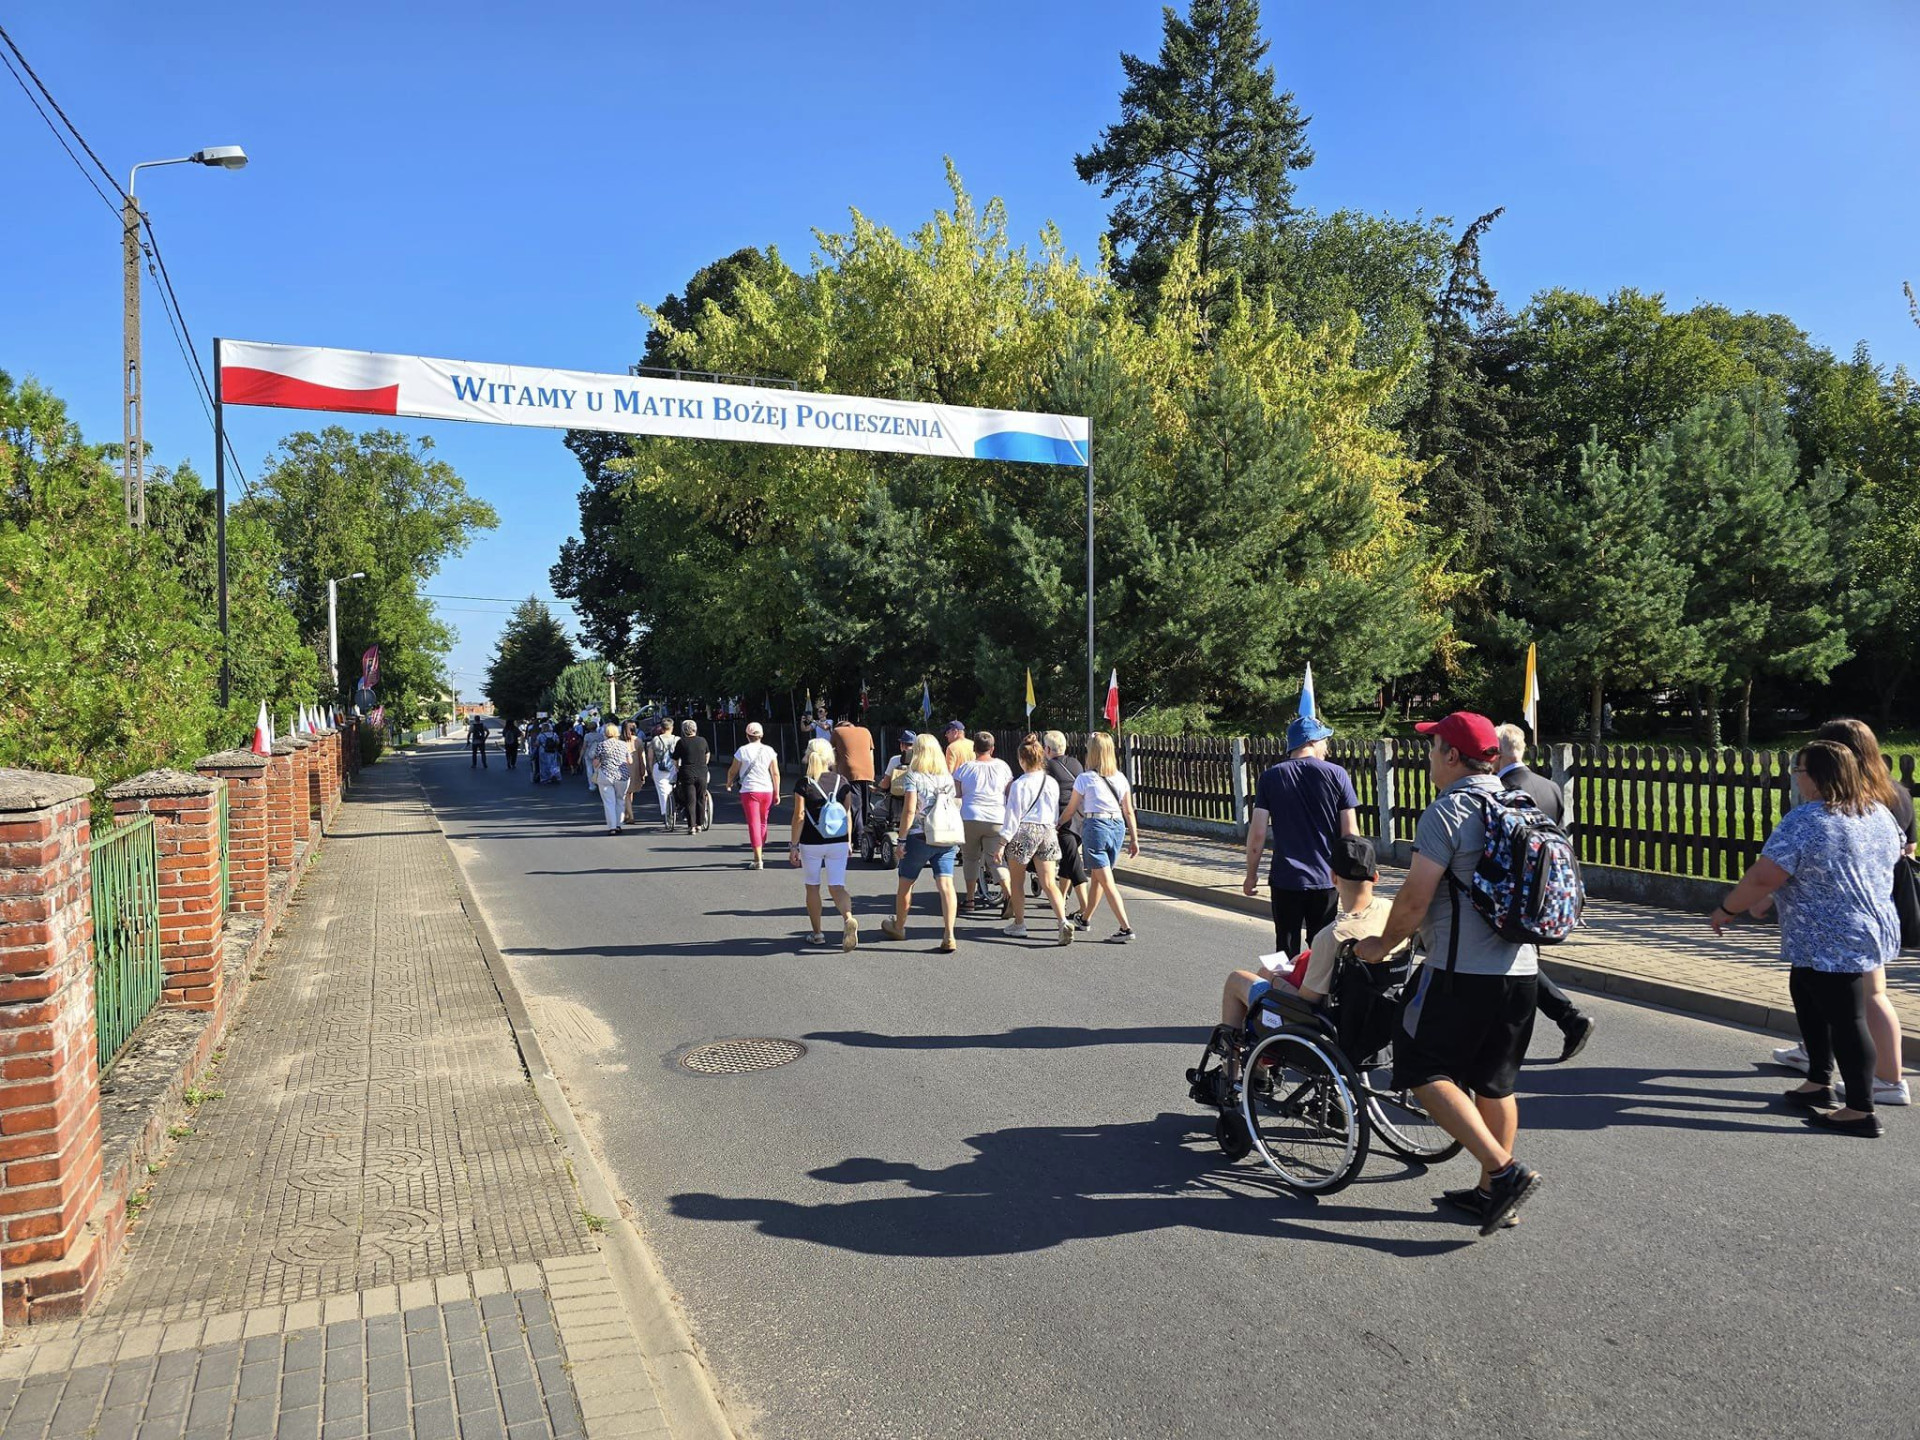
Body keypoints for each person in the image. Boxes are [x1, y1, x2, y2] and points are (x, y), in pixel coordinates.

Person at [1355, 710, 1545, 1237]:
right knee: (1495, 1083)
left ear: (1453, 756)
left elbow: (1415, 898)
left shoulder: (1450, 810)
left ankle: (1504, 1173)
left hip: (1462, 971)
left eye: (1433, 747)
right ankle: (1492, 1195)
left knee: (1419, 1068)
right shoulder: (1518, 803)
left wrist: (1380, 944)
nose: (1429, 757)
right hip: (1523, 970)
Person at [1711, 740, 1902, 1137]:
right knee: (1806, 994)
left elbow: (1764, 875)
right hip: (1854, 930)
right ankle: (1818, 1080)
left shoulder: (1809, 818)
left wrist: (1728, 909)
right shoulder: (1877, 812)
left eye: (1798, 771)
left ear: (1816, 776)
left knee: (1848, 1019)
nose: (1796, 779)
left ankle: (1860, 1110)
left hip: (1833, 937)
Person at [1770, 718, 1914, 1106]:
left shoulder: (1852, 797)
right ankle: (1818, 1055)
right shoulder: (1894, 791)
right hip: (1877, 905)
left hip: (1844, 914)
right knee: (1847, 994)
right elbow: (1907, 848)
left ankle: (1886, 1079)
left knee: (1859, 997)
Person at [1217, 835, 1406, 1053]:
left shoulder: (1333, 936)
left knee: (1238, 980)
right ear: (1376, 877)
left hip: (1324, 1031)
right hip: (1377, 1025)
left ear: (1333, 877)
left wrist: (1275, 979)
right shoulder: (1394, 914)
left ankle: (1232, 1067)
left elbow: (1304, 1002)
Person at [1494, 723, 1596, 1063]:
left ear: (1498, 753)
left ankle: (1566, 1019)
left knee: (1514, 963)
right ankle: (1567, 1020)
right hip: (1548, 891)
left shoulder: (1504, 789)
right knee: (1522, 962)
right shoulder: (1549, 786)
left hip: (1516, 892)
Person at [1242, 715, 1357, 959]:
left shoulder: (1270, 777)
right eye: (1324, 740)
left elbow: (1258, 833)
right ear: (1312, 741)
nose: (1326, 747)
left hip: (1286, 878)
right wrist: (1352, 881)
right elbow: (1350, 835)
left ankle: (1282, 984)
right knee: (1323, 951)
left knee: (1284, 950)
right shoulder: (1338, 774)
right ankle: (1317, 984)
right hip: (1326, 878)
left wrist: (1251, 875)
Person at [883, 733, 961, 952]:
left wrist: (901, 840)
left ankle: (899, 926)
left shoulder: (913, 776)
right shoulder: (947, 778)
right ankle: (949, 933)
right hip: (945, 836)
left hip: (919, 836)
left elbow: (909, 811)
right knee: (946, 885)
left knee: (906, 883)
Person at [1059, 732, 1139, 943]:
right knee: (1099, 877)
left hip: (1096, 827)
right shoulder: (1120, 778)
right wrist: (1134, 838)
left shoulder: (1085, 779)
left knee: (1106, 880)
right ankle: (1085, 918)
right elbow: (1128, 811)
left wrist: (1057, 824)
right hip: (1117, 826)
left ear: (1092, 753)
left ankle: (1125, 927)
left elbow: (1071, 809)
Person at [998, 734, 1073, 944]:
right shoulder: (1051, 782)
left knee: (1017, 882)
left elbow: (1012, 816)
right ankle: (1062, 922)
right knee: (1049, 882)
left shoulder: (1019, 784)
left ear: (1022, 760)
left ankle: (1019, 924)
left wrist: (1002, 842)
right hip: (1047, 830)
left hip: (1025, 831)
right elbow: (1054, 811)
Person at [789, 738, 858, 949]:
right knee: (837, 886)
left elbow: (799, 816)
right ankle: (848, 918)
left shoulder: (804, 783)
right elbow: (847, 813)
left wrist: (794, 845)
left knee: (812, 886)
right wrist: (848, 840)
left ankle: (817, 933)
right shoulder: (842, 781)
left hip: (811, 842)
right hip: (838, 840)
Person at [955, 731, 1013, 914]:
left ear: (974, 748)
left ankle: (970, 900)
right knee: (996, 859)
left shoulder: (964, 768)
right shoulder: (1003, 767)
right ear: (992, 748)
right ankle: (1009, 894)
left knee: (970, 858)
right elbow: (1009, 793)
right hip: (996, 818)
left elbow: (957, 794)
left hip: (970, 816)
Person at [1043, 732, 1092, 928]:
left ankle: (1086, 908)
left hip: (1061, 820)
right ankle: (1061, 899)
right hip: (1079, 819)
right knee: (1066, 861)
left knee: (1073, 862)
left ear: (1047, 749)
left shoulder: (1047, 767)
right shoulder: (1076, 764)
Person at [726, 722, 782, 869]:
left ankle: (757, 859)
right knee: (763, 822)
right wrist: (777, 792)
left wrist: (729, 783)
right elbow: (775, 773)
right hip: (767, 790)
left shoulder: (742, 751)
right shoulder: (769, 750)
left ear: (747, 736)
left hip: (750, 790)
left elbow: (733, 770)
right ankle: (760, 851)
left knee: (753, 823)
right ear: (761, 735)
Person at [830, 716, 877, 855]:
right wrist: (872, 772)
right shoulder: (865, 731)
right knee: (865, 806)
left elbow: (830, 753)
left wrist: (834, 772)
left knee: (854, 807)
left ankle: (859, 840)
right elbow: (871, 753)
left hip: (849, 772)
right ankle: (867, 837)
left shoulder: (837, 732)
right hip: (868, 771)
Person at [672, 720, 712, 835]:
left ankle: (692, 826)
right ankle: (699, 824)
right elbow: (707, 754)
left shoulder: (681, 742)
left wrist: (678, 768)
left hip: (687, 772)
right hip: (701, 771)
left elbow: (675, 759)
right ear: (695, 729)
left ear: (684, 730)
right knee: (701, 798)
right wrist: (704, 764)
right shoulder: (702, 740)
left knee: (690, 800)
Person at [595, 722, 632, 835]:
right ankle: (619, 824)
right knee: (620, 800)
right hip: (622, 775)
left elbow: (595, 763)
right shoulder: (624, 744)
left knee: (609, 802)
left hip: (606, 775)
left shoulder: (601, 745)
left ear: (605, 733)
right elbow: (630, 761)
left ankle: (612, 827)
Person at [647, 720, 678, 829]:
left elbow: (650, 757)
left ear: (661, 728)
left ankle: (667, 813)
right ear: (672, 727)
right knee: (675, 789)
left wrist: (651, 770)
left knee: (663, 792)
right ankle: (675, 808)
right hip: (674, 767)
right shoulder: (677, 739)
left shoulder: (655, 740)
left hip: (659, 767)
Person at [619, 720, 640, 824]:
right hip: (635, 768)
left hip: (623, 769)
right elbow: (642, 757)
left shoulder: (619, 741)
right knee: (630, 793)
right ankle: (628, 814)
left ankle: (630, 816)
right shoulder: (637, 740)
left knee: (626, 793)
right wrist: (643, 771)